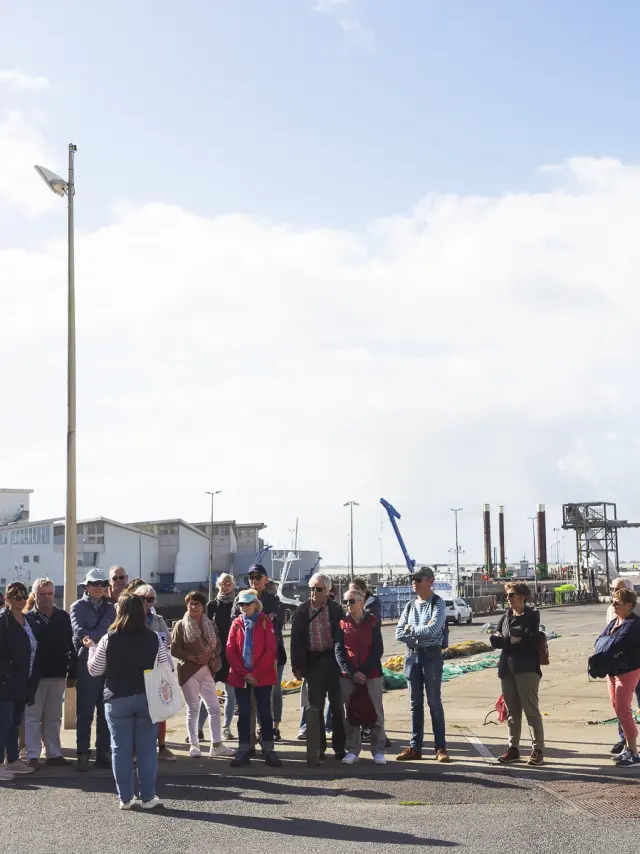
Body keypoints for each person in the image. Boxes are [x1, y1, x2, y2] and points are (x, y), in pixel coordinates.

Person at [86, 593, 165, 809]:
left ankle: (126, 798)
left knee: (120, 749)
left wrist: (91, 649)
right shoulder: (154, 638)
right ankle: (148, 797)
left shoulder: (109, 638)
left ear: (119, 611)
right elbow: (168, 667)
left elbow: (95, 670)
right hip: (146, 697)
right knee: (147, 749)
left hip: (117, 697)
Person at [395, 566, 450, 763]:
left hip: (431, 657)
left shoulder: (438, 603)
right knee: (414, 704)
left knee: (434, 702)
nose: (414, 582)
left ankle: (440, 748)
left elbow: (434, 630)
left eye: (418, 579)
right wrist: (416, 631)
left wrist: (412, 630)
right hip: (412, 657)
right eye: (413, 579)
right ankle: (415, 747)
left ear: (430, 581)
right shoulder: (410, 605)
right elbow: (398, 633)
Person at [290, 572, 346, 760]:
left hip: (332, 660)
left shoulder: (337, 609)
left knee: (337, 706)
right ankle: (318, 747)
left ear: (328, 590)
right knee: (315, 707)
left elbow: (344, 637)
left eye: (319, 589)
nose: (314, 592)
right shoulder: (302, 610)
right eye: (312, 589)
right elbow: (296, 640)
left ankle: (339, 747)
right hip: (312, 661)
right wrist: (296, 666)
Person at [170, 591, 233, 758]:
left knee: (214, 708)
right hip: (189, 671)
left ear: (203, 607)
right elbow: (175, 649)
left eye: (196, 603)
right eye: (190, 603)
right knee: (193, 709)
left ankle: (217, 745)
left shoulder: (210, 625)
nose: (193, 607)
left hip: (207, 670)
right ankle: (194, 745)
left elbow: (219, 645)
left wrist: (211, 656)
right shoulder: (181, 625)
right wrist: (192, 658)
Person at [490, 582, 544, 766]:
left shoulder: (532, 616)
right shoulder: (505, 617)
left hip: (526, 667)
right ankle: (513, 748)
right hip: (507, 668)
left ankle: (537, 749)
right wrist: (511, 640)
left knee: (531, 710)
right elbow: (494, 640)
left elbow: (529, 640)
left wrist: (507, 640)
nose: (508, 598)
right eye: (507, 595)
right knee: (512, 712)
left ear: (522, 597)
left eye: (511, 595)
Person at [226, 590, 281, 767]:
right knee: (243, 713)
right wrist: (244, 673)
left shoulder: (265, 622)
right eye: (242, 604)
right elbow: (230, 650)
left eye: (248, 603)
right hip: (241, 676)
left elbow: (270, 650)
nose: (245, 607)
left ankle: (268, 748)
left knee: (264, 712)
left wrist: (255, 674)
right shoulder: (236, 623)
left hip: (262, 676)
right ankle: (244, 749)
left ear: (256, 604)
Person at [25, 578, 76, 768]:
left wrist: (73, 671)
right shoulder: (28, 619)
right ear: (35, 595)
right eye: (41, 594)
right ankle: (32, 755)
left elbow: (71, 645)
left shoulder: (63, 616)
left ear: (54, 594)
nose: (46, 598)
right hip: (35, 676)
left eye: (49, 594)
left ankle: (54, 753)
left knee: (54, 716)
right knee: (32, 716)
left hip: (57, 673)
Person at [70, 568, 116, 771]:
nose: (99, 587)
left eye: (102, 584)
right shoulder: (76, 607)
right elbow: (79, 631)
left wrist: (94, 638)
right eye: (95, 584)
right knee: (85, 712)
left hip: (107, 663)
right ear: (87, 586)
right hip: (85, 663)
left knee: (105, 712)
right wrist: (102, 636)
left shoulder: (112, 608)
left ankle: (103, 753)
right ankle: (82, 754)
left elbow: (113, 630)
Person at [233, 565, 286, 741]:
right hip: (245, 663)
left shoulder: (274, 601)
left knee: (270, 699)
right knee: (247, 706)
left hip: (269, 659)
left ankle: (271, 733)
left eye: (258, 577)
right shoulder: (239, 599)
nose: (254, 581)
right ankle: (249, 741)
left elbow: (276, 630)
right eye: (251, 577)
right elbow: (235, 629)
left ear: (266, 579)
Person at [335, 588, 386, 765]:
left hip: (371, 675)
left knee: (376, 712)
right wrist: (351, 672)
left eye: (351, 601)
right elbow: (339, 650)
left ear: (361, 602)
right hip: (348, 676)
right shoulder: (342, 622)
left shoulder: (372, 621)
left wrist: (363, 671)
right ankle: (353, 750)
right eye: (345, 601)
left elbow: (377, 649)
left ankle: (378, 750)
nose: (347, 605)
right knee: (352, 713)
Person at [129, 583, 176, 761]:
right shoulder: (129, 618)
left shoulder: (158, 619)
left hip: (157, 668)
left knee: (160, 707)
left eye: (151, 599)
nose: (148, 603)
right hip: (137, 669)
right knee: (138, 710)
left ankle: (161, 746)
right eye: (143, 599)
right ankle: (135, 748)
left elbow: (167, 640)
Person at [596, 587, 640, 767]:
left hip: (628, 670)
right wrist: (608, 644)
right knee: (617, 708)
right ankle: (628, 748)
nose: (613, 605)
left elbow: (618, 642)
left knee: (623, 709)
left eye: (617, 602)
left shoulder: (633, 623)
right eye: (612, 601)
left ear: (629, 605)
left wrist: (609, 644)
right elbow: (600, 640)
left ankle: (634, 753)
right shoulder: (615, 621)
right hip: (612, 671)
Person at [0, 582, 39, 780]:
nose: (21, 600)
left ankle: (13, 760)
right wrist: (5, 675)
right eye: (16, 597)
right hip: (6, 682)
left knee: (15, 722)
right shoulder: (3, 620)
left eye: (24, 596)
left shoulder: (27, 619)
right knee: (3, 722)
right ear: (7, 599)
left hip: (24, 680)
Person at [201, 573, 237, 740]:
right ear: (218, 585)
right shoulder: (212, 605)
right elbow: (204, 627)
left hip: (232, 654)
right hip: (215, 654)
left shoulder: (239, 604)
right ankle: (198, 728)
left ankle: (226, 728)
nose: (226, 585)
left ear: (233, 584)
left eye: (229, 582)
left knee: (231, 693)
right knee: (207, 692)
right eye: (223, 583)